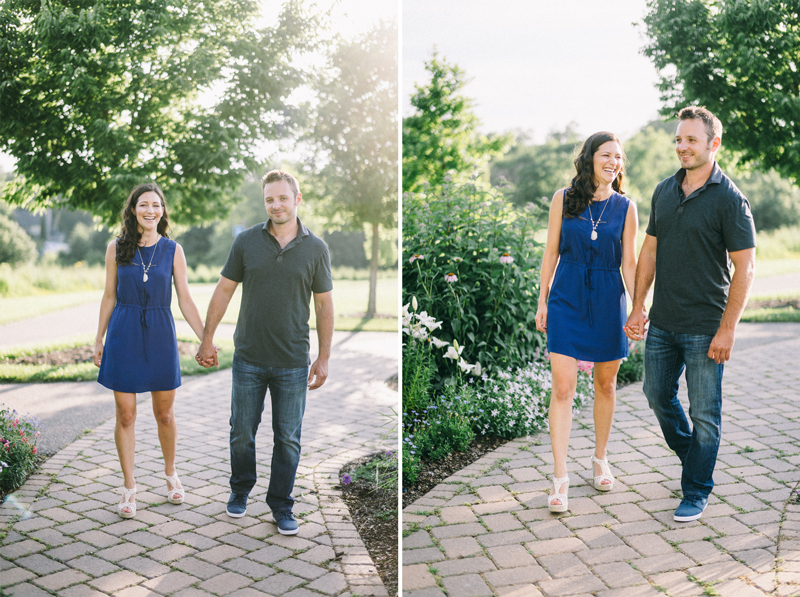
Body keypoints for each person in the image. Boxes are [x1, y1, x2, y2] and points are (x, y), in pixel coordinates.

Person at [625, 106, 756, 522]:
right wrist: (637, 305)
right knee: (656, 395)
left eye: (691, 140)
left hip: (706, 327)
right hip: (663, 322)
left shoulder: (730, 199)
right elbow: (650, 250)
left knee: (705, 415)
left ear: (713, 144)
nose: (682, 147)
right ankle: (695, 459)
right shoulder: (665, 190)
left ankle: (697, 489)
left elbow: (746, 267)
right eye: (678, 140)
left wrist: (727, 330)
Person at [195, 169, 334, 536]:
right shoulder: (245, 243)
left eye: (283, 198)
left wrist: (324, 357)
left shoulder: (316, 248)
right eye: (270, 199)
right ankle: (240, 490)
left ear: (297, 199)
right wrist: (207, 338)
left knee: (288, 437)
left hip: (292, 361)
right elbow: (223, 291)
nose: (276, 205)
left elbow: (323, 306)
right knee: (242, 431)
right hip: (248, 358)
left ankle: (281, 504)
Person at [535, 132, 638, 513]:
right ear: (590, 159)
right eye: (606, 155)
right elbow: (550, 252)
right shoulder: (564, 199)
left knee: (606, 384)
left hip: (609, 296)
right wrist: (542, 300)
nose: (613, 162)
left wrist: (638, 307)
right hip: (567, 296)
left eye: (618, 157)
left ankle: (599, 459)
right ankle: (560, 477)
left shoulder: (626, 207)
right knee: (563, 388)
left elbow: (629, 260)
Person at [94, 182, 211, 519]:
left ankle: (171, 475)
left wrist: (205, 337)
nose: (150, 210)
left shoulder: (174, 250)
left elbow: (185, 298)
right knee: (126, 414)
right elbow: (109, 296)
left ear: (163, 211)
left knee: (165, 414)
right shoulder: (116, 248)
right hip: (123, 332)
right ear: (133, 210)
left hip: (161, 331)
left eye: (156, 205)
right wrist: (99, 337)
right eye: (143, 204)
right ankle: (129, 487)